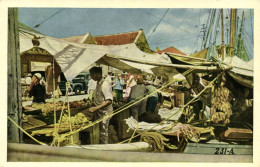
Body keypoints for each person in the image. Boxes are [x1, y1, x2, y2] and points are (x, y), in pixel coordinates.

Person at [88, 67, 113, 144]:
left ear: (98, 74)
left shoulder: (105, 84)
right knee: (100, 132)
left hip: (105, 112)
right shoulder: (98, 83)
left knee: (103, 133)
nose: (91, 76)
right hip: (100, 112)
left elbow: (109, 100)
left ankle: (105, 149)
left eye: (92, 74)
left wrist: (96, 108)